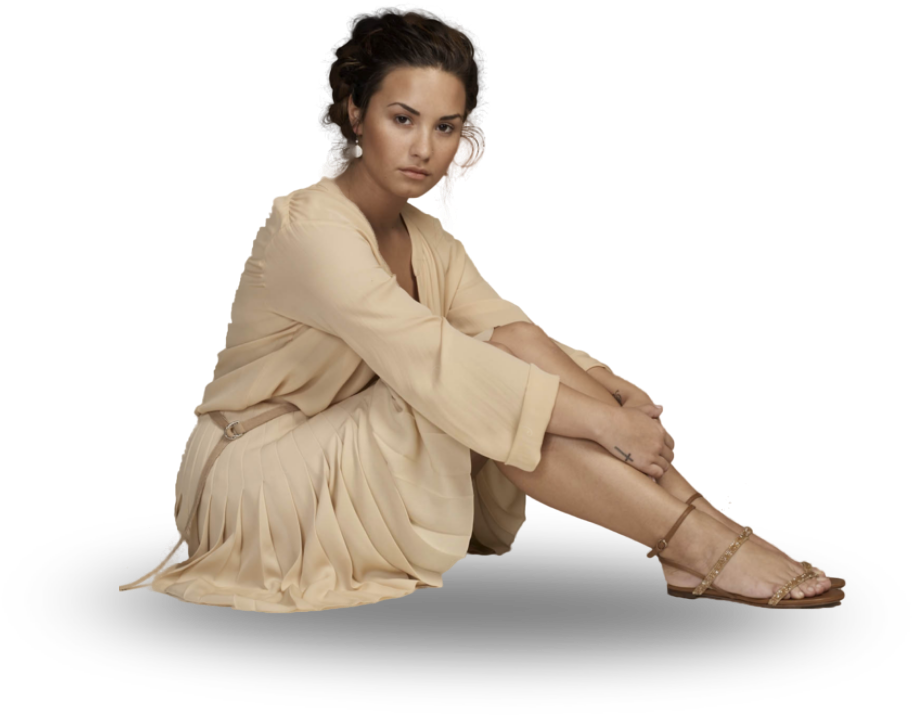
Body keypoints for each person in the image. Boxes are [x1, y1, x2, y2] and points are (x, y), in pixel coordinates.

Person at [119, 8, 842, 611]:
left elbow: (510, 329)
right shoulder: (309, 228)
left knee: (514, 359)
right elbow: (437, 362)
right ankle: (695, 542)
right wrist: (603, 423)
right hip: (256, 472)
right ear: (357, 114)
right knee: (473, 391)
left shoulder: (424, 233)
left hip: (348, 438)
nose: (424, 149)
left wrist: (611, 391)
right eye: (403, 118)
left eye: (445, 127)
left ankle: (705, 528)